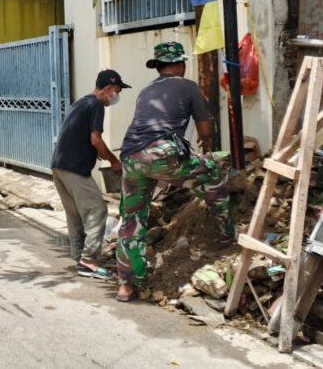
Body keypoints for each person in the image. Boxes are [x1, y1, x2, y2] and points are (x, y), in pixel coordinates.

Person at [115, 42, 235, 302]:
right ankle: (226, 237)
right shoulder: (188, 86)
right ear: (180, 64)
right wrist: (207, 146)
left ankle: (126, 284)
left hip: (131, 156)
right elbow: (204, 129)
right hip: (162, 155)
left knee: (132, 219)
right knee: (213, 173)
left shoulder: (146, 91)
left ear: (158, 67)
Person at [51, 69, 131, 279]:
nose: (117, 95)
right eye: (117, 90)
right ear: (108, 88)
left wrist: (98, 154)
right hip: (74, 168)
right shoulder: (96, 105)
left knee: (75, 214)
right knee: (97, 210)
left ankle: (80, 257)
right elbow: (96, 139)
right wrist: (114, 161)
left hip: (58, 166)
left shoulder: (80, 103)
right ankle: (89, 260)